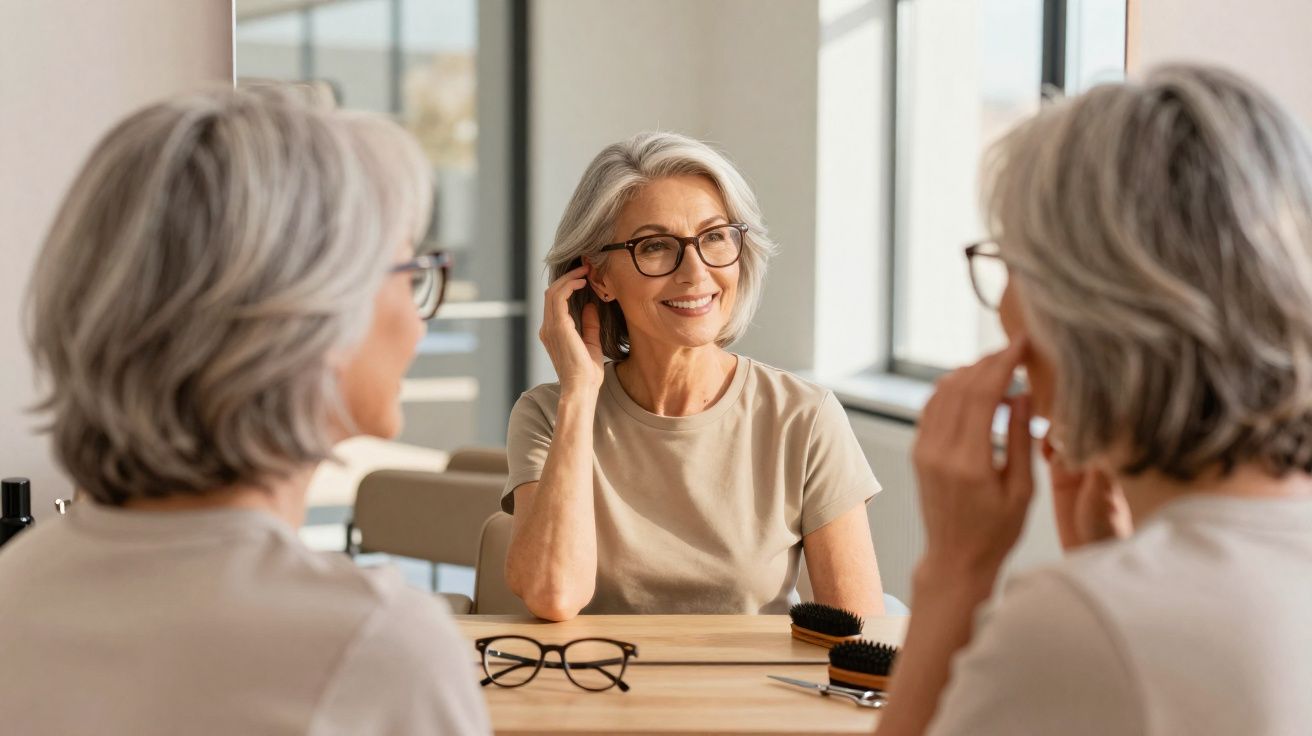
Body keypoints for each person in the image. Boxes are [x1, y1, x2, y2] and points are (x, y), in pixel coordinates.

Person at [0, 87, 490, 735]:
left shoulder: (18, 586)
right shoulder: (377, 648)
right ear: (312, 317)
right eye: (412, 271)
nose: (418, 323)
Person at [877, 65, 1312, 735]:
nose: (1002, 309)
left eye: (1010, 266)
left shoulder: (1075, 624)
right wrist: (1108, 562)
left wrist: (954, 573)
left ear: (1085, 307)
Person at [504, 132, 884, 620]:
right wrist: (579, 395)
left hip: (751, 696)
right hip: (596, 691)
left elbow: (856, 635)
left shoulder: (804, 417)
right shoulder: (546, 415)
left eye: (714, 237)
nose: (695, 272)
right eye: (656, 246)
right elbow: (552, 594)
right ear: (598, 277)